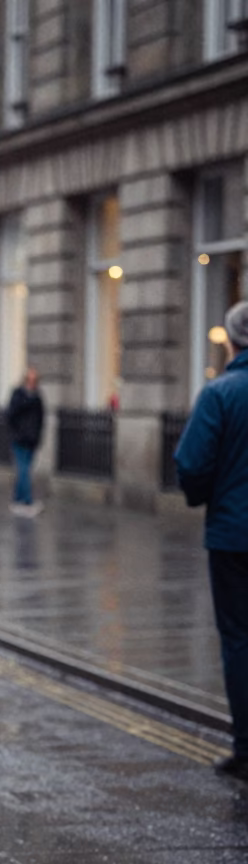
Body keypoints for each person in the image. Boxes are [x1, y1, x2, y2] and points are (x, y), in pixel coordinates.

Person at [175, 300, 248, 782]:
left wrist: (204, 494)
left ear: (233, 338)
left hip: (235, 536)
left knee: (241, 640)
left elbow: (192, 465)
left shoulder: (222, 393)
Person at [6, 367, 44, 516]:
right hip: (20, 439)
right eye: (30, 380)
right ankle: (27, 501)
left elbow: (40, 419)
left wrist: (38, 436)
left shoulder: (38, 397)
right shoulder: (18, 395)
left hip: (32, 440)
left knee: (24, 470)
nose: (32, 383)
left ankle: (17, 499)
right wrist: (16, 433)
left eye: (35, 380)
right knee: (24, 471)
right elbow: (10, 415)